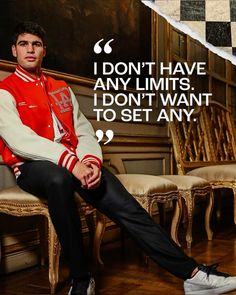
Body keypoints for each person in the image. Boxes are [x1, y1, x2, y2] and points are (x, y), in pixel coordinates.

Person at [0, 21, 235, 295]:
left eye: (36, 44)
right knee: (57, 178)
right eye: (24, 44)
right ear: (14, 50)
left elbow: (83, 131)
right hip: (32, 168)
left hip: (77, 165)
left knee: (127, 207)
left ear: (44, 51)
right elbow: (19, 139)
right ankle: (81, 279)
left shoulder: (60, 87)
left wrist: (90, 162)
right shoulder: (6, 90)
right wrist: (70, 163)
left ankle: (192, 275)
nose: (30, 49)